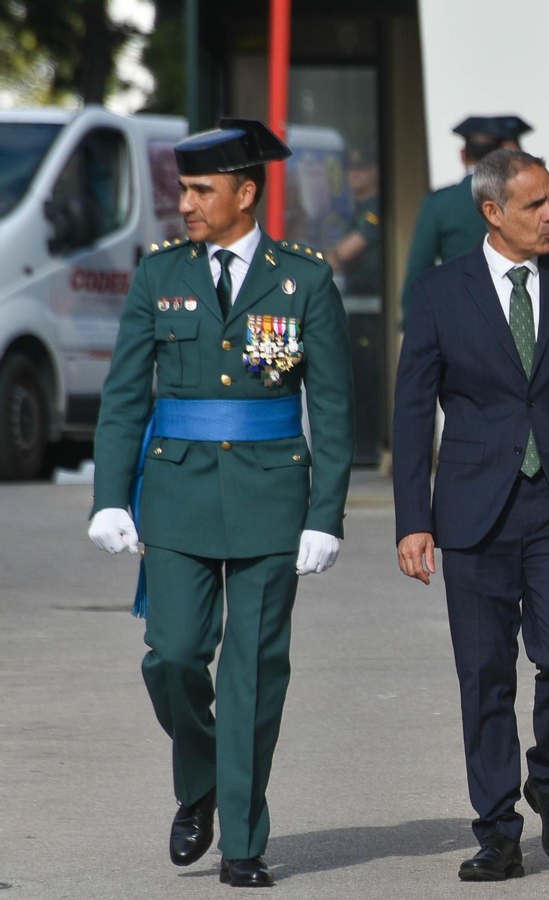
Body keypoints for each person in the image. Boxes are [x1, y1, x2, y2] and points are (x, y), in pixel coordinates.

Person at [86, 119, 355, 888]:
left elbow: (333, 408)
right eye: (184, 189)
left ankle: (242, 841)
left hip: (272, 497)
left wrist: (325, 513)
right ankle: (201, 777)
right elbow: (125, 396)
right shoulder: (159, 274)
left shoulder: (303, 279)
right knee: (173, 656)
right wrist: (110, 498)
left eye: (202, 190)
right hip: (176, 495)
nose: (186, 204)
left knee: (253, 673)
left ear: (246, 193)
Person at [391, 149, 549, 882]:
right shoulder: (440, 292)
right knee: (485, 674)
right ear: (492, 213)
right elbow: (412, 411)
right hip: (474, 512)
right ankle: (497, 829)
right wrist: (413, 519)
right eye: (535, 205)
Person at [401, 116, 549, 325]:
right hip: (529, 315)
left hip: (459, 319)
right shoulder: (548, 198)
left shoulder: (440, 203)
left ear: (463, 155)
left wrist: (412, 323)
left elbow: (418, 267)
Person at [328, 144, 383, 297]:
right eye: (351, 169)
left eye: (362, 169)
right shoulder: (357, 210)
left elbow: (345, 253)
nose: (354, 174)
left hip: (374, 296)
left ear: (375, 172)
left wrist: (335, 256)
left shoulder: (377, 208)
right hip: (356, 293)